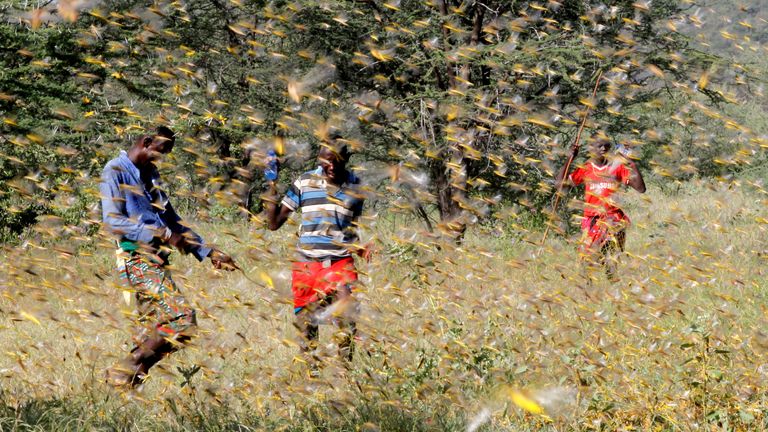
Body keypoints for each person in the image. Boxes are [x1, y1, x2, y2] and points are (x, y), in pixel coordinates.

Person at [100, 125, 235, 388]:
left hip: (157, 260)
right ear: (147, 141)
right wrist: (159, 233)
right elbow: (112, 221)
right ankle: (124, 368)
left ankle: (124, 387)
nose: (160, 159)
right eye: (160, 152)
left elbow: (172, 219)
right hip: (136, 259)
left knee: (158, 333)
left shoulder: (151, 174)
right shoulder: (115, 170)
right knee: (182, 320)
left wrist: (207, 251)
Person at [263, 138, 370, 372]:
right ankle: (311, 376)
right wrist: (271, 183)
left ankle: (345, 374)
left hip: (340, 261)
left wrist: (360, 247)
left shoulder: (356, 186)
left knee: (347, 317)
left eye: (336, 160)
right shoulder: (304, 182)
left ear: (346, 159)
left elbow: (350, 227)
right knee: (307, 325)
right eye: (325, 160)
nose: (330, 165)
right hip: (307, 264)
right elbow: (273, 223)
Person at [555, 135, 646, 283]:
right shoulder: (586, 168)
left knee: (610, 258)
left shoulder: (617, 167)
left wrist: (630, 162)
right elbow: (560, 185)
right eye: (599, 146)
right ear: (591, 148)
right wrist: (569, 158)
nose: (603, 148)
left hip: (613, 219)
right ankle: (588, 289)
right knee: (586, 258)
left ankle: (612, 288)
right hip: (591, 220)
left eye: (606, 146)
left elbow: (641, 188)